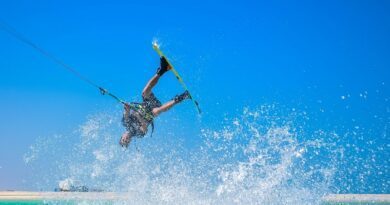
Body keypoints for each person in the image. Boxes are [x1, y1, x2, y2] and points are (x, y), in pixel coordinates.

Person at [119, 57, 191, 148]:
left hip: (147, 103)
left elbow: (126, 111)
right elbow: (144, 127)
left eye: (124, 139)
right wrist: (140, 119)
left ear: (122, 135)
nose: (126, 139)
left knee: (144, 92)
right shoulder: (138, 134)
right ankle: (182, 97)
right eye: (127, 142)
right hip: (153, 109)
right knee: (156, 112)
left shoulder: (125, 123)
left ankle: (162, 70)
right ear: (130, 142)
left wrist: (127, 107)